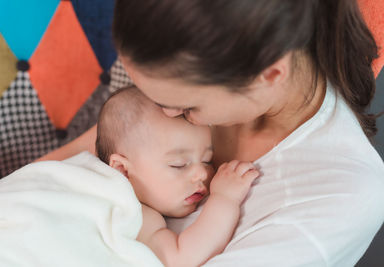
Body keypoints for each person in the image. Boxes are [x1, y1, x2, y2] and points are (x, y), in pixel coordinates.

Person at [38, 0, 384, 266]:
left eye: (186, 107)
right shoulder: (188, 63)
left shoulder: (338, 194)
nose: (165, 113)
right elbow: (65, 169)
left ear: (268, 74)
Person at [95, 86, 259, 267]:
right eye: (179, 164)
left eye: (207, 160)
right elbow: (181, 259)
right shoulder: (131, 213)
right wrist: (225, 198)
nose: (202, 173)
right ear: (122, 170)